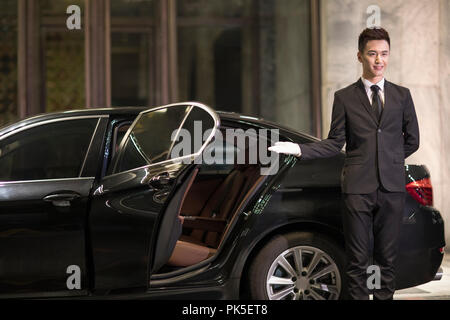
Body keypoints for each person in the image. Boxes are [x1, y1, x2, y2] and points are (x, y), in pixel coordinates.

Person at [269, 27, 419, 300]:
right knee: (357, 260)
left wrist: (388, 161)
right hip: (357, 190)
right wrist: (298, 149)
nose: (379, 60)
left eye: (384, 54)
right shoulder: (344, 97)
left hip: (391, 188)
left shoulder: (402, 96)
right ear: (359, 56)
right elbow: (334, 143)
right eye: (372, 54)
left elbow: (413, 141)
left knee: (387, 259)